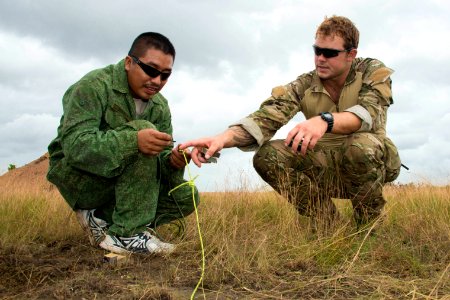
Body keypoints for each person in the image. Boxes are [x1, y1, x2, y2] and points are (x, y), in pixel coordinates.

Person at [180, 16, 401, 228]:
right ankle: (328, 224)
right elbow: (265, 118)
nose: (320, 58)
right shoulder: (304, 84)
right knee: (267, 155)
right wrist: (221, 139)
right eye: (317, 51)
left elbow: (368, 112)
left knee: (359, 147)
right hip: (325, 164)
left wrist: (325, 120)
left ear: (351, 54)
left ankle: (369, 226)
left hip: (371, 162)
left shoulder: (372, 71)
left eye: (330, 53)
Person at [47, 32, 199, 254]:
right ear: (129, 62)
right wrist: (133, 141)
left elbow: (160, 163)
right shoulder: (93, 86)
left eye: (165, 75)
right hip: (82, 181)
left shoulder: (160, 107)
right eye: (150, 70)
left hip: (123, 185)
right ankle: (126, 234)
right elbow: (74, 146)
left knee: (186, 195)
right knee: (141, 130)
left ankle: (103, 222)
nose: (157, 81)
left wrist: (174, 161)